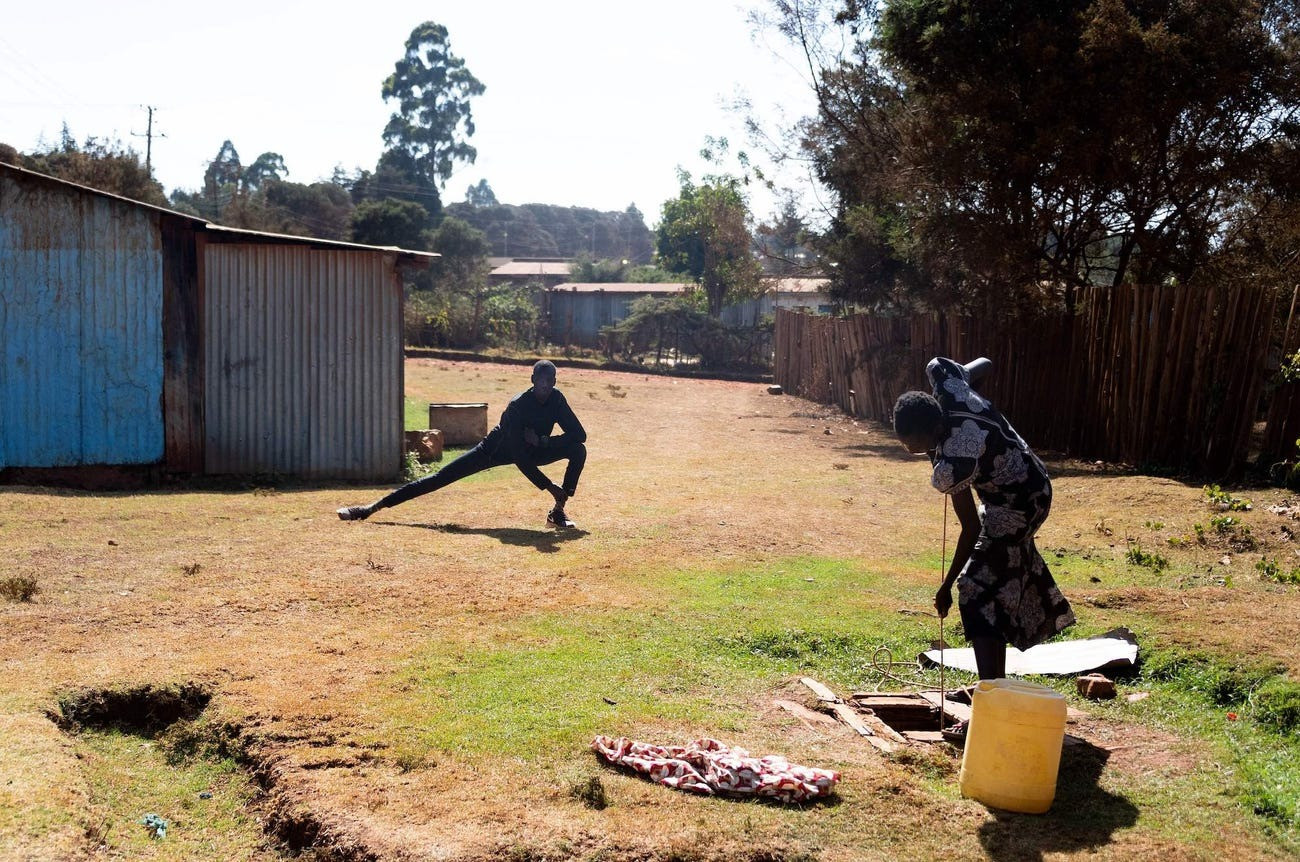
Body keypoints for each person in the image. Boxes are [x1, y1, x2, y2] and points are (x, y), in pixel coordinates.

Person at [893, 357, 1074, 685]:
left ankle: (991, 692)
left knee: (975, 590)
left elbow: (971, 528)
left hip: (1020, 504)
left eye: (912, 444)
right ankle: (994, 686)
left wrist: (947, 585)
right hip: (1031, 479)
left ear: (932, 431)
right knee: (992, 581)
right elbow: (986, 364)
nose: (907, 449)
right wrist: (971, 399)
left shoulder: (955, 461)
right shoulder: (949, 386)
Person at [337, 360, 586, 527]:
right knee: (440, 478)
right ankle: (370, 508)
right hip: (493, 451)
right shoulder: (517, 406)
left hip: (534, 450)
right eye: (541, 381)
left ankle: (558, 511)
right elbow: (519, 458)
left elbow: (579, 434)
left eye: (550, 381)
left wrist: (543, 441)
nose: (545, 386)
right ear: (532, 379)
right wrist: (548, 485)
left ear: (555, 382)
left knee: (578, 450)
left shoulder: (557, 400)